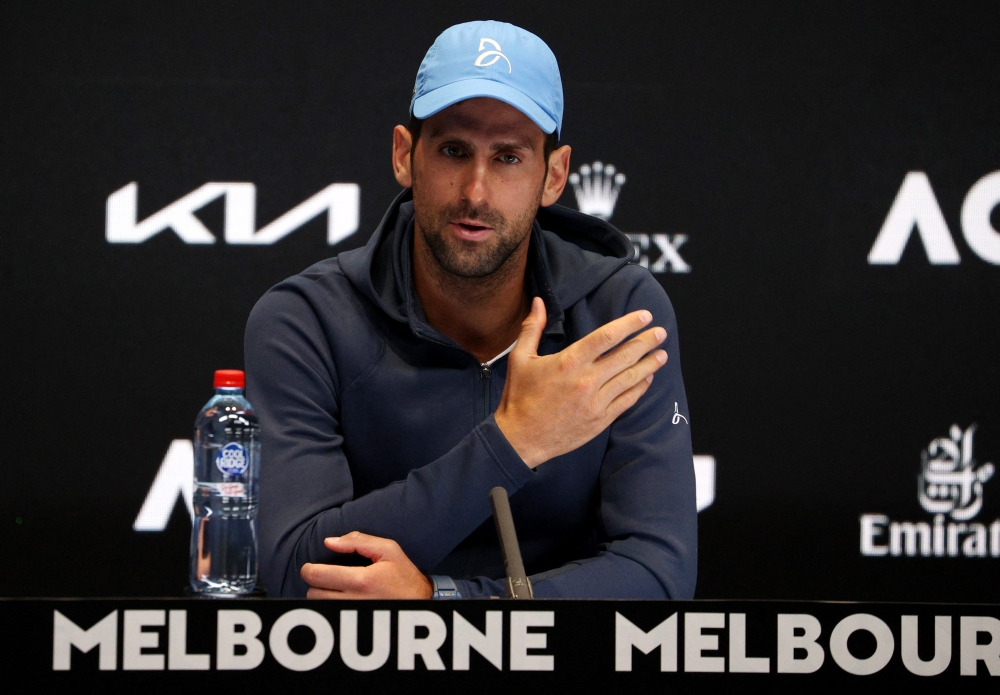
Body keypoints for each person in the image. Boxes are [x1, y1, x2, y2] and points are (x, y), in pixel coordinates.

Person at [245, 20, 697, 599]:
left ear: (553, 175)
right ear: (405, 156)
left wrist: (445, 602)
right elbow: (291, 572)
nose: (476, 192)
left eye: (508, 157)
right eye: (454, 150)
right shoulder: (306, 321)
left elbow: (660, 574)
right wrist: (514, 441)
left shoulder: (618, 314)